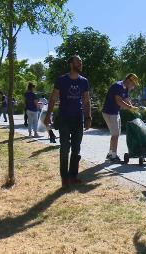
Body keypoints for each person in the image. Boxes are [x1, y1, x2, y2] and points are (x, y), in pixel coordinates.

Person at [44, 55, 92, 187]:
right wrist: (48, 114)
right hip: (64, 118)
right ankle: (64, 177)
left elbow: (86, 100)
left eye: (81, 61)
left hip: (78, 119)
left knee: (76, 149)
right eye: (78, 61)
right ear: (71, 64)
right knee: (65, 148)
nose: (80, 63)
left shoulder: (84, 81)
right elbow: (53, 98)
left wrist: (88, 117)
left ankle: (73, 176)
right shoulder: (61, 80)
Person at [102, 73, 139, 163]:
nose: (133, 86)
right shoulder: (118, 86)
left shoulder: (125, 88)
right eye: (133, 84)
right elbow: (119, 101)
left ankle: (111, 154)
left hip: (115, 112)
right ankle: (113, 157)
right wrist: (130, 108)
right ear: (129, 80)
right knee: (115, 135)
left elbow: (126, 99)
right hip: (109, 112)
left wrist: (132, 107)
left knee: (116, 134)